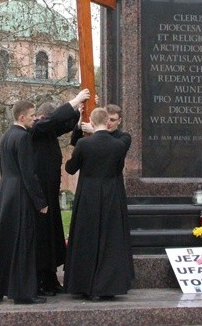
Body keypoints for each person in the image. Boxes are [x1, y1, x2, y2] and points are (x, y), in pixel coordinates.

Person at [0, 100, 49, 304]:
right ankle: (23, 292)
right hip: (20, 193)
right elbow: (28, 173)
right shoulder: (23, 137)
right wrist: (40, 201)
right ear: (22, 117)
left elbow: (4, 166)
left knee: (1, 240)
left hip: (6, 191)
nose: (35, 119)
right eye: (32, 116)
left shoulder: (7, 135)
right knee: (23, 240)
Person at [63, 107, 135, 300]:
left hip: (88, 193)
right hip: (111, 192)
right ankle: (107, 285)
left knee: (87, 237)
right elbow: (117, 167)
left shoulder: (84, 144)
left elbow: (70, 169)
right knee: (109, 238)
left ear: (92, 123)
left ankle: (84, 284)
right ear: (107, 122)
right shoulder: (118, 145)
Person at [31, 89, 90, 296]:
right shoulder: (36, 128)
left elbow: (62, 125)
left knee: (51, 238)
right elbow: (53, 121)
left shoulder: (47, 131)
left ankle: (50, 278)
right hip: (39, 195)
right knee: (41, 239)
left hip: (50, 193)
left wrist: (80, 112)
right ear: (39, 117)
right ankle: (39, 279)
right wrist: (74, 101)